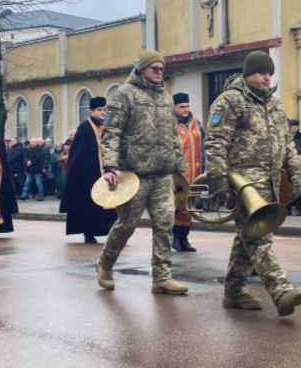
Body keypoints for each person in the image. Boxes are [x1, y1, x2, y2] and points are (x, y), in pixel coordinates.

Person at [206, 51, 301, 315]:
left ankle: (234, 292)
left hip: (270, 184)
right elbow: (216, 142)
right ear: (248, 74)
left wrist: (296, 174)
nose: (267, 77)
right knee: (259, 239)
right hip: (243, 184)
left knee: (247, 239)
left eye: (270, 72)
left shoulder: (273, 104)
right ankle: (281, 290)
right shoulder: (230, 101)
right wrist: (218, 181)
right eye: (262, 72)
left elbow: (287, 145)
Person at [94, 49, 189, 295]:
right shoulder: (124, 95)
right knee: (127, 224)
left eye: (162, 69)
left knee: (165, 223)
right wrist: (110, 167)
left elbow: (172, 136)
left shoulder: (166, 98)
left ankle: (162, 277)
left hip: (162, 174)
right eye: (154, 68)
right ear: (142, 69)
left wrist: (179, 166)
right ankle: (105, 264)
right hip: (133, 175)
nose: (159, 73)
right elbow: (111, 133)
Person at [60, 97, 117, 244]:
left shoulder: (106, 127)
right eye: (99, 110)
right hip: (88, 175)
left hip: (106, 174)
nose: (103, 113)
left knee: (109, 205)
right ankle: (88, 233)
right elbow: (78, 155)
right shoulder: (85, 128)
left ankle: (109, 231)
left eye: (104, 110)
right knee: (89, 207)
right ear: (92, 111)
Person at [172, 92, 204, 252]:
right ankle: (175, 238)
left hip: (196, 174)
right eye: (181, 107)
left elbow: (204, 147)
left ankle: (184, 238)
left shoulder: (197, 124)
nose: (185, 109)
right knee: (177, 207)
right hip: (178, 175)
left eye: (187, 106)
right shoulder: (170, 125)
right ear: (174, 107)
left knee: (190, 207)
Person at [286, 119, 301, 216]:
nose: (293, 129)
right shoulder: (286, 136)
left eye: (294, 127)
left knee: (299, 185)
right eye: (291, 127)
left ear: (297, 127)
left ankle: (298, 208)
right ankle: (287, 207)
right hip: (287, 166)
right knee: (288, 187)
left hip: (300, 166)